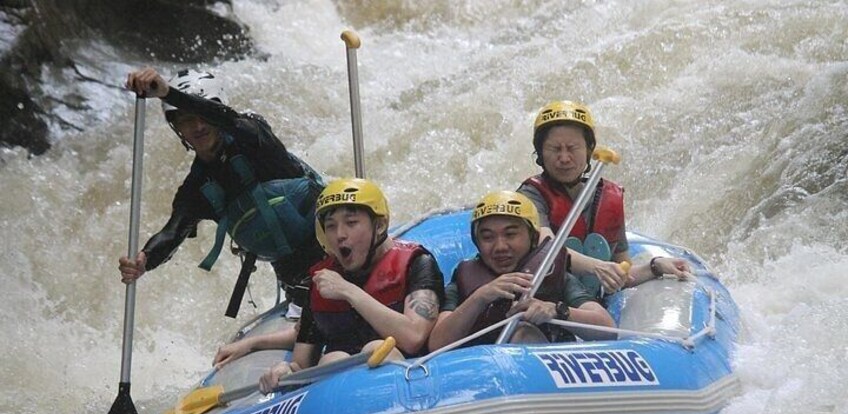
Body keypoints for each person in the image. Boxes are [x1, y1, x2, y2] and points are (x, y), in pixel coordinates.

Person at [119, 67, 326, 325]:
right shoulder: (198, 188)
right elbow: (172, 233)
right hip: (295, 276)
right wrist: (144, 260)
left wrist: (168, 94)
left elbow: (228, 120)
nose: (197, 125)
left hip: (337, 246)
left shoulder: (252, 135)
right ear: (176, 127)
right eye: (184, 118)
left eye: (202, 114)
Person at [245, 178, 444, 394]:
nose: (340, 235)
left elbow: (414, 337)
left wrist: (348, 291)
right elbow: (301, 364)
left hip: (406, 378)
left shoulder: (418, 263)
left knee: (376, 350)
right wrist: (285, 370)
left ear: (379, 226)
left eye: (351, 223)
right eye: (331, 226)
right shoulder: (321, 281)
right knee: (333, 358)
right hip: (339, 383)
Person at [518, 100, 689, 293]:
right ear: (540, 153)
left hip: (591, 304)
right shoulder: (530, 196)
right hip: (544, 299)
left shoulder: (608, 196)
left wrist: (655, 267)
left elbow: (622, 273)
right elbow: (546, 248)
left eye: (572, 148)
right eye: (555, 149)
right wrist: (597, 267)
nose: (564, 158)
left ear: (589, 150)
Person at [428, 191, 615, 351]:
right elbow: (437, 344)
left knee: (523, 333)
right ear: (477, 242)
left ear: (533, 237)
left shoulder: (550, 272)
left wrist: (557, 310)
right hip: (487, 373)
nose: (500, 246)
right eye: (487, 237)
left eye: (511, 234)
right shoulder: (465, 278)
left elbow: (607, 328)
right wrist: (479, 297)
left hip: (545, 372)